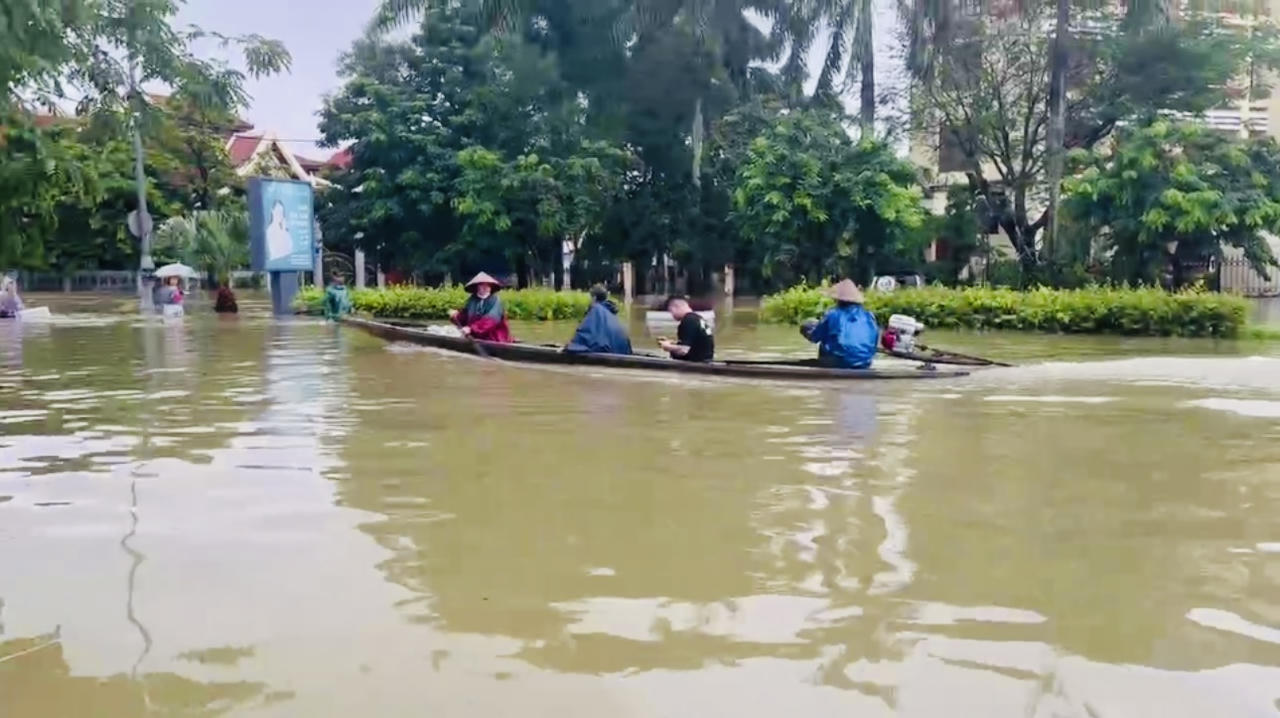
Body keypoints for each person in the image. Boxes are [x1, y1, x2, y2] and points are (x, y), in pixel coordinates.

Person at [800, 279, 879, 369]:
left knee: (822, 341)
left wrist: (806, 330)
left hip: (839, 362)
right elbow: (874, 344)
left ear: (838, 300)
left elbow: (815, 337)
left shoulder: (832, 314)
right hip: (865, 362)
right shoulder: (869, 316)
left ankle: (825, 371)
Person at [565, 285, 632, 355]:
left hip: (608, 351)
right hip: (622, 350)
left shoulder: (595, 309)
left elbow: (584, 334)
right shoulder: (611, 312)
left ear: (594, 298)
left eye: (590, 297)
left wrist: (571, 346)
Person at [449, 272, 513, 342]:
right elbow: (464, 316)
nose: (485, 288)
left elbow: (490, 321)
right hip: (475, 336)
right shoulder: (472, 300)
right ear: (477, 287)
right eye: (482, 285)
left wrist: (471, 329)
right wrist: (455, 316)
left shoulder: (495, 301)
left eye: (488, 286)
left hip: (494, 337)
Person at [659, 296, 714, 362]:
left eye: (671, 311)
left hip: (696, 363)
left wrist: (666, 346)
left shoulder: (687, 321)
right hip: (706, 359)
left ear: (675, 307)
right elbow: (695, 343)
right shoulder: (697, 318)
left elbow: (683, 350)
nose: (672, 315)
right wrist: (672, 343)